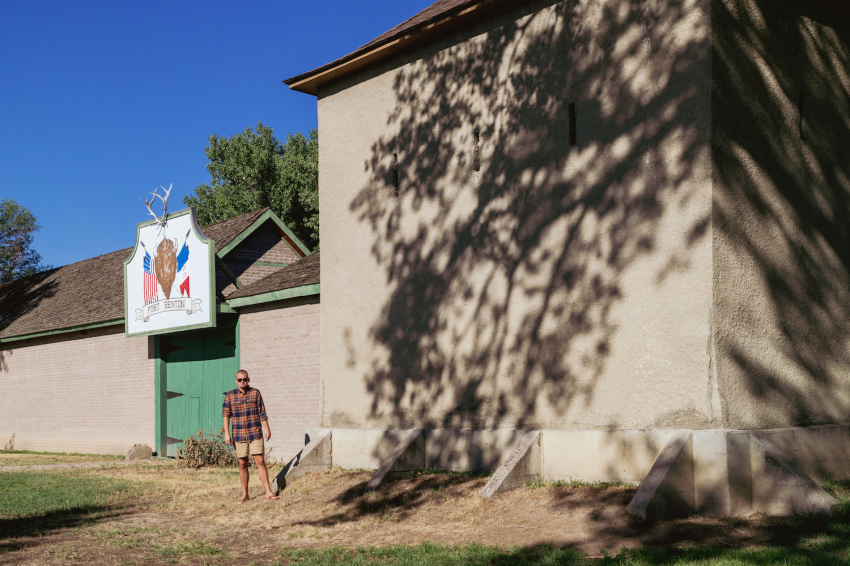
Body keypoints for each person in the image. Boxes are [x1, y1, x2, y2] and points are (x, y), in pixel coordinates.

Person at [223, 369, 279, 503]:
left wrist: (267, 428)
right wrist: (226, 433)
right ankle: (245, 494)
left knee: (260, 462)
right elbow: (226, 416)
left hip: (255, 433)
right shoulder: (229, 396)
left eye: (245, 379)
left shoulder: (255, 393)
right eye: (240, 380)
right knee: (243, 464)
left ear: (248, 380)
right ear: (236, 380)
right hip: (239, 434)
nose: (242, 382)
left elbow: (262, 413)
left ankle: (268, 491)